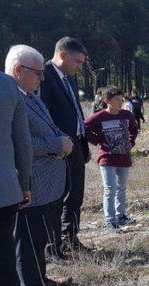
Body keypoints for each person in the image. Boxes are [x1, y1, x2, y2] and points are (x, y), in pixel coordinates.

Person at [7, 45, 74, 286]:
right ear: (17, 70)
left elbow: (50, 126)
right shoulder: (11, 99)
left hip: (46, 186)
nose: (42, 77)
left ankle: (40, 279)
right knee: (26, 241)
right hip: (28, 184)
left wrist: (63, 139)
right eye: (37, 73)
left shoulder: (31, 95)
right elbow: (17, 145)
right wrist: (58, 145)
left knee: (38, 238)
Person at [39, 36, 91, 254]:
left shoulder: (69, 77)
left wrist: (83, 144)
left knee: (75, 194)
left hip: (76, 144)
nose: (80, 67)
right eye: (77, 62)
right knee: (57, 198)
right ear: (62, 55)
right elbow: (44, 117)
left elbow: (76, 112)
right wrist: (58, 144)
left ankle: (71, 238)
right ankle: (53, 246)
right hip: (59, 148)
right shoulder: (44, 76)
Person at [0, 68, 32, 286]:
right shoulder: (7, 85)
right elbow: (22, 141)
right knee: (4, 264)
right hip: (4, 190)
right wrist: (24, 182)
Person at [85, 85, 138, 234]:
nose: (120, 102)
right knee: (110, 189)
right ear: (107, 101)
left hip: (123, 157)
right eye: (116, 100)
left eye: (121, 99)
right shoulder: (99, 116)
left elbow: (134, 130)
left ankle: (120, 216)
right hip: (107, 158)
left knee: (121, 187)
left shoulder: (127, 115)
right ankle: (110, 221)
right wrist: (99, 140)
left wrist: (130, 142)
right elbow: (84, 128)